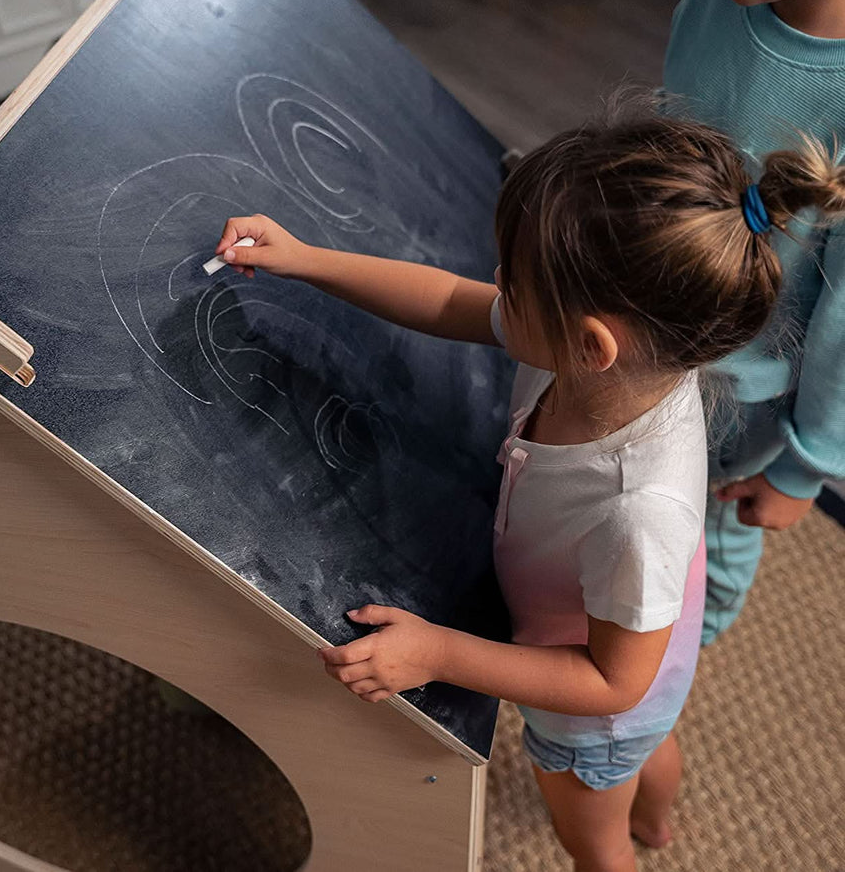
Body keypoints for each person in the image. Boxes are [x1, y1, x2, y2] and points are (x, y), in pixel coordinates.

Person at [212, 109, 843, 870]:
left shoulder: (639, 510)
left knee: (592, 834)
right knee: (653, 744)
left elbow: (613, 682)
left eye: (514, 284)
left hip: (599, 713)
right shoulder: (610, 353)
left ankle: (640, 832)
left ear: (592, 344)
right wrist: (308, 259)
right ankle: (658, 818)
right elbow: (449, 300)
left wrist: (438, 652)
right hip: (642, 630)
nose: (496, 286)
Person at [664, 0, 845, 644]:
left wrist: (801, 469)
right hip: (657, 321)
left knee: (707, 518)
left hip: (741, 401)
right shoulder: (710, 8)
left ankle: (687, 644)